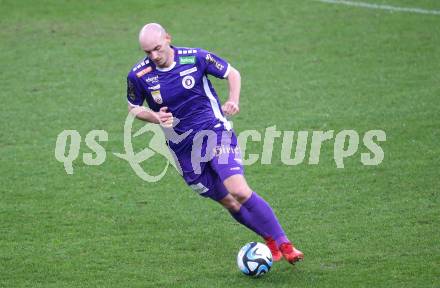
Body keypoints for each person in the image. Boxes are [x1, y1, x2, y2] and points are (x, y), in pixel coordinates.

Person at [126, 23, 303, 264]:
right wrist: (155, 117)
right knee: (229, 202)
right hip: (183, 152)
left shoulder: (196, 57)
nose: (154, 56)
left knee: (239, 190)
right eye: (148, 52)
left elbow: (232, 72)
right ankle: (270, 241)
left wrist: (233, 99)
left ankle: (286, 244)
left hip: (214, 133)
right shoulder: (139, 75)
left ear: (168, 38)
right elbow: (134, 108)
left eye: (157, 48)